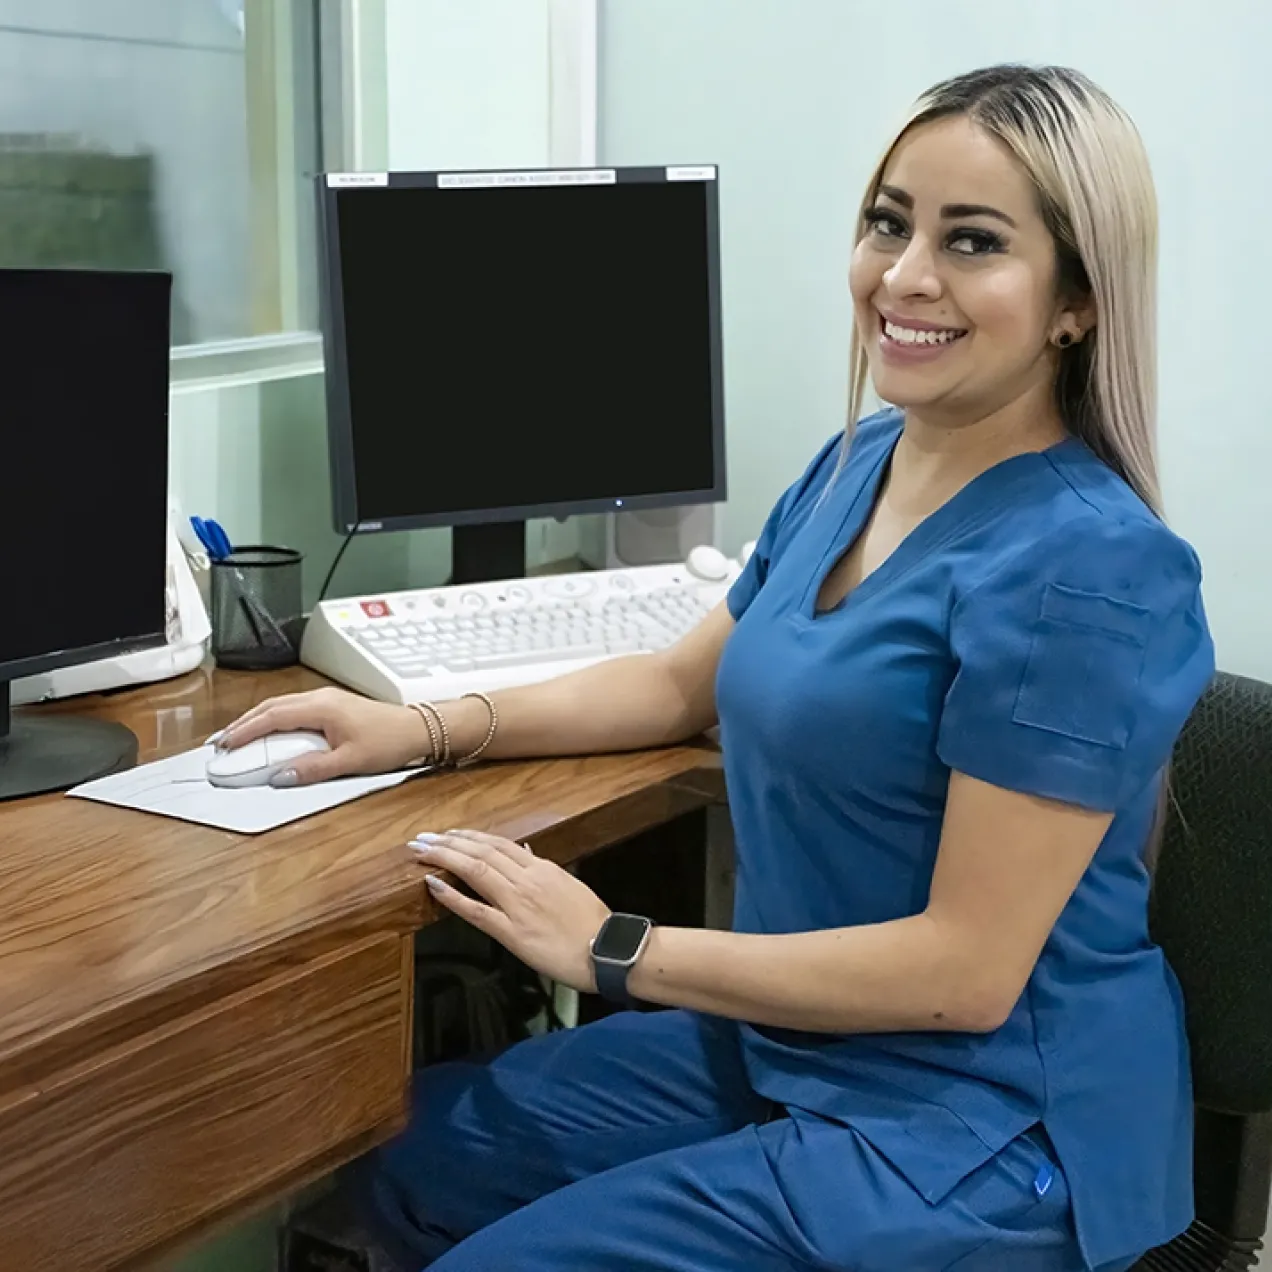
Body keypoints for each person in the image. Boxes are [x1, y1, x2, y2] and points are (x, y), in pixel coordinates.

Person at [221, 64, 1215, 1271]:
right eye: (889, 222)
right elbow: (677, 687)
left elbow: (964, 974)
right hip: (796, 1045)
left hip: (987, 1129)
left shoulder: (1091, 572)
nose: (905, 275)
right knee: (407, 1159)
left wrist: (611, 946)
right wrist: (421, 725)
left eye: (974, 242)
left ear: (1076, 303)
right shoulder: (859, 467)